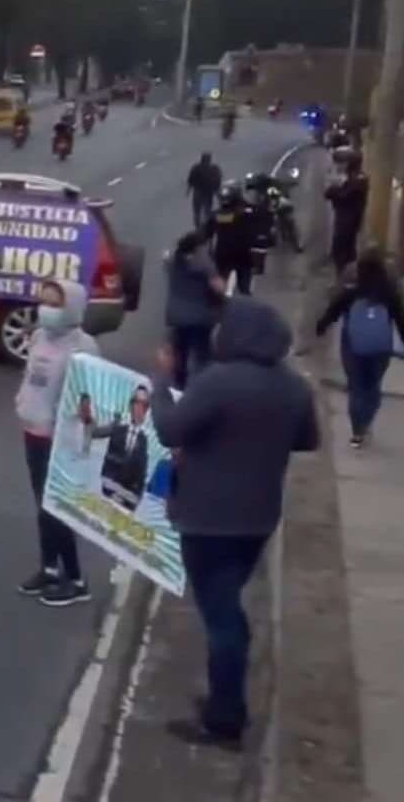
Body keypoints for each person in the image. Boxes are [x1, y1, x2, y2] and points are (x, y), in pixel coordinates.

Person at [151, 296, 318, 751]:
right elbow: (307, 439)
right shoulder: (294, 387)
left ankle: (225, 720)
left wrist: (162, 378)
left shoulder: (217, 382)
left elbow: (169, 428)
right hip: (258, 518)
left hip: (207, 519)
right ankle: (224, 698)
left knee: (222, 617)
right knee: (226, 603)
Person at [13, 279, 98, 607]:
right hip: (33, 433)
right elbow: (33, 377)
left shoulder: (85, 347)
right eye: (42, 302)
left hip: (60, 439)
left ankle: (76, 579)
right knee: (42, 507)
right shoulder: (38, 336)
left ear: (72, 308)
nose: (44, 310)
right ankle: (49, 569)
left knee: (57, 509)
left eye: (53, 304)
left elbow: (89, 398)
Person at [315, 249, 404, 448]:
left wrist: (320, 327)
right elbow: (400, 320)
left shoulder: (352, 292)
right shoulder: (389, 294)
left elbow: (333, 311)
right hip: (381, 348)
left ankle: (357, 431)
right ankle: (366, 422)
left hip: (353, 346)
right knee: (373, 386)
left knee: (356, 387)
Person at [164, 231, 226, 390]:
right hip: (200, 317)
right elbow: (219, 288)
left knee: (180, 353)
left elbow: (165, 259)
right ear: (198, 248)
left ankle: (179, 387)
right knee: (203, 355)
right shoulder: (204, 264)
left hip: (177, 316)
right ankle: (204, 388)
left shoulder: (173, 261)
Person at [89, 386, 152, 503]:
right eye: (136, 402)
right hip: (105, 494)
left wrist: (130, 499)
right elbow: (94, 435)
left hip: (126, 502)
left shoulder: (144, 441)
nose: (138, 408)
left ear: (146, 410)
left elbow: (140, 478)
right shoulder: (117, 429)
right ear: (130, 405)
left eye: (143, 404)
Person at [204, 186, 259, 295]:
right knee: (244, 289)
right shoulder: (247, 212)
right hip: (242, 254)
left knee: (218, 288)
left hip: (224, 254)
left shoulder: (217, 215)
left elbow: (206, 233)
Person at [325, 150, 369, 274]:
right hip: (343, 218)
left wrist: (336, 187)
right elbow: (329, 193)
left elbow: (341, 195)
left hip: (349, 220)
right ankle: (343, 277)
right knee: (341, 250)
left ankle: (346, 279)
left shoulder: (358, 179)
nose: (338, 166)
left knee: (344, 251)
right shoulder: (348, 178)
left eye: (341, 162)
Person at [186, 153, 223, 229]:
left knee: (199, 211)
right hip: (205, 192)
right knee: (204, 210)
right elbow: (217, 181)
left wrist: (188, 190)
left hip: (201, 192)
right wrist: (218, 194)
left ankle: (200, 226)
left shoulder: (196, 168)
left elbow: (190, 180)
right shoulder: (213, 169)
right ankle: (203, 226)